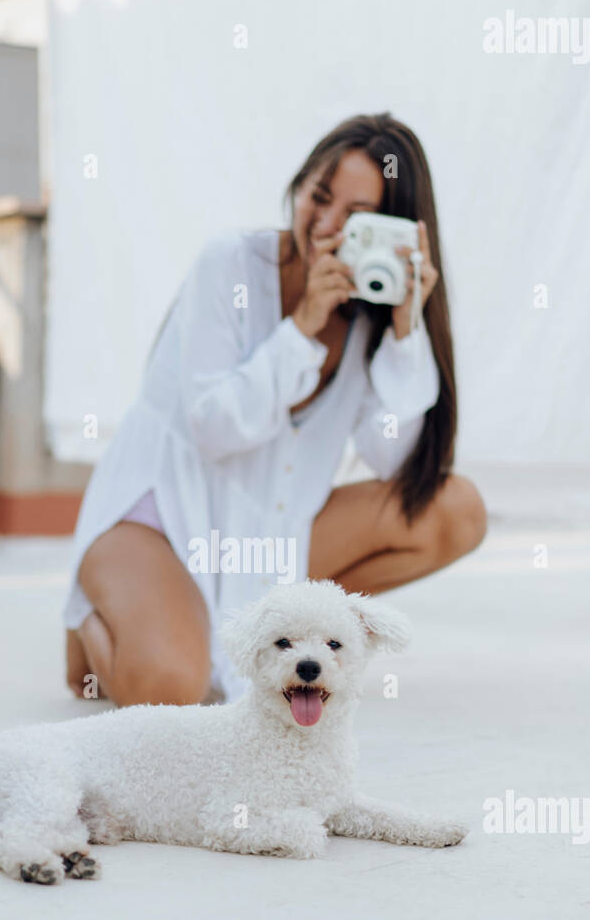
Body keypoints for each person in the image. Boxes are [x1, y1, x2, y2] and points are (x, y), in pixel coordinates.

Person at [63, 112, 486, 707]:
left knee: (457, 509)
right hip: (163, 516)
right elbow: (213, 427)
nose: (328, 226)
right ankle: (94, 628)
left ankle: (265, 627)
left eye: (359, 220)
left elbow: (390, 456)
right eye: (319, 197)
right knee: (172, 693)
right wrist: (303, 329)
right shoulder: (230, 264)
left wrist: (405, 329)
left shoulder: (369, 316)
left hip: (271, 532)